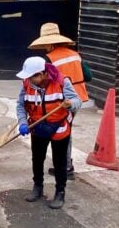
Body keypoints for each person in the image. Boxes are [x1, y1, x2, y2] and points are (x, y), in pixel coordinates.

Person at [16, 56, 82, 209]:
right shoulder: (27, 85)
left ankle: (60, 192)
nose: (30, 80)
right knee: (37, 159)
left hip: (59, 128)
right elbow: (21, 105)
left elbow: (77, 102)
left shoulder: (62, 82)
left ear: (43, 73)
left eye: (33, 76)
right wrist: (23, 122)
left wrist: (70, 104)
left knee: (60, 162)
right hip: (37, 127)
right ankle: (37, 187)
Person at [29, 22, 89, 180]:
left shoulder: (49, 58)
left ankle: (66, 166)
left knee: (62, 131)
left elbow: (45, 81)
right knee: (66, 128)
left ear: (49, 43)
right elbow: (88, 76)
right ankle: (66, 163)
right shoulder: (75, 54)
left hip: (62, 100)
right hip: (78, 97)